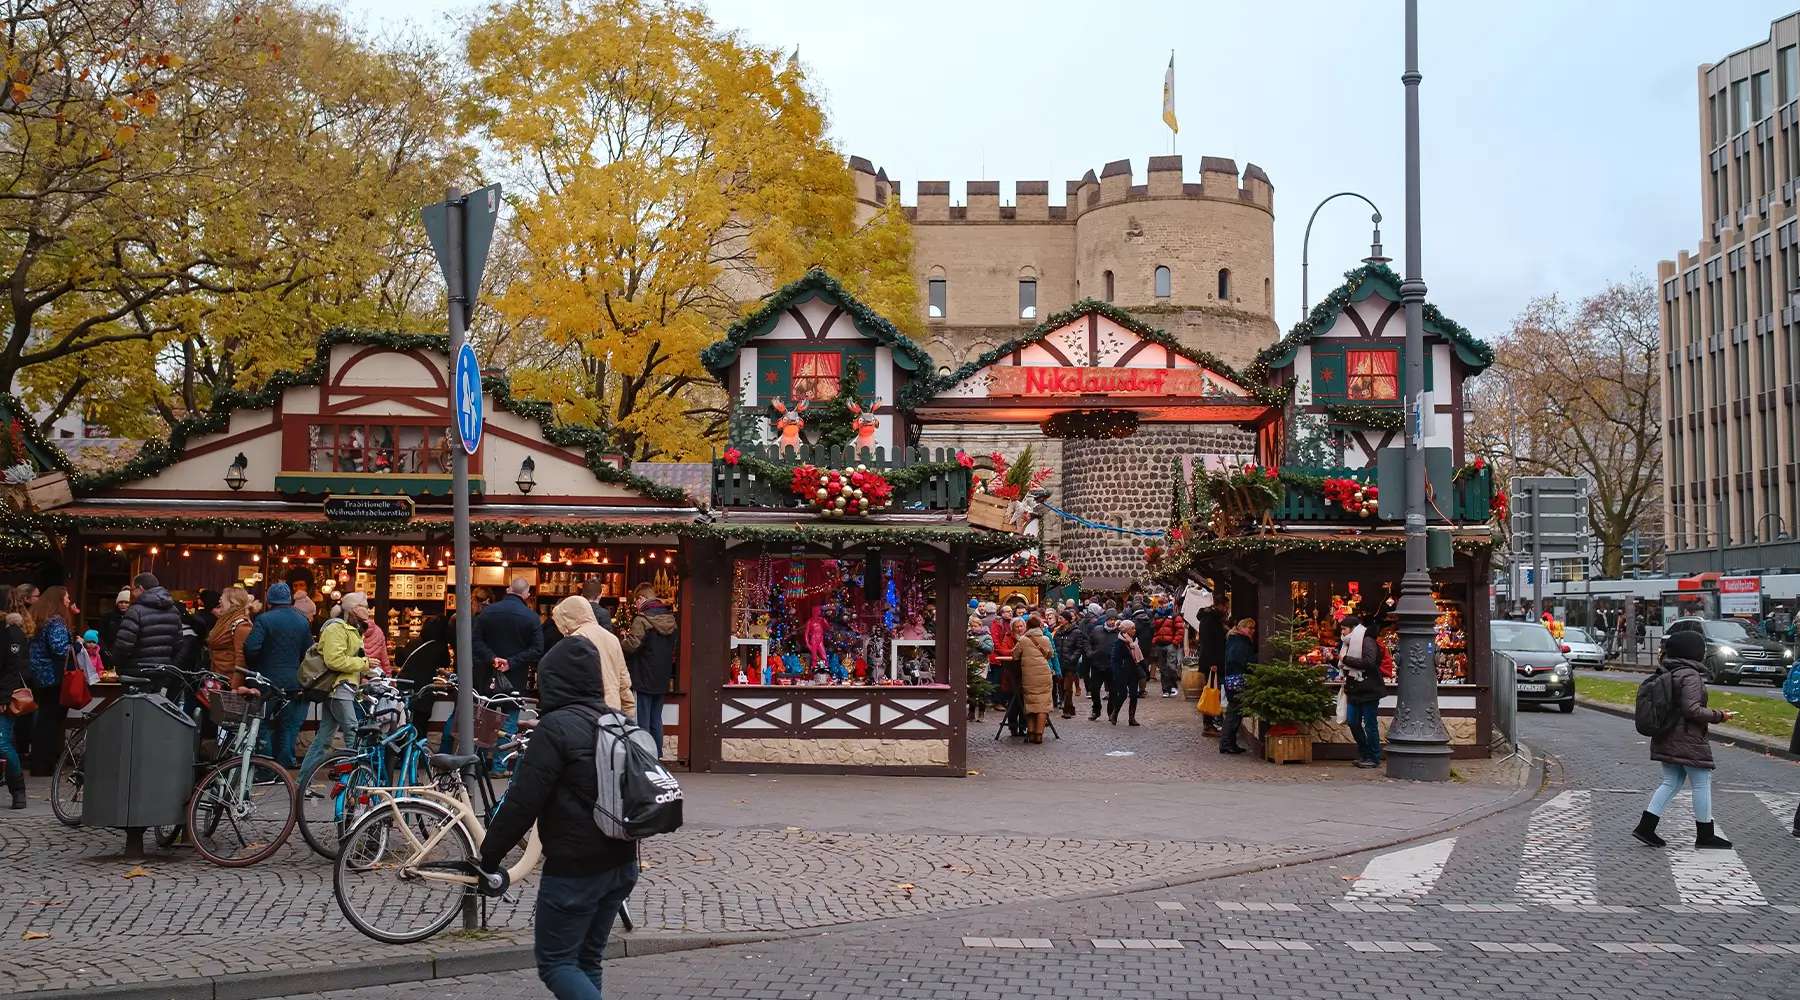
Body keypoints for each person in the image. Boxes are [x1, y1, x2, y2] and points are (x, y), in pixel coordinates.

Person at [477, 629, 637, 1000]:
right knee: (587, 959)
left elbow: (522, 803)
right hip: (622, 862)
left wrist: (489, 856)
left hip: (575, 868)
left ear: (552, 681)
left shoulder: (555, 729)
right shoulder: (619, 722)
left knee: (557, 963)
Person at [1633, 629, 1736, 850]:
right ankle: (1705, 835)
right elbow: (1692, 710)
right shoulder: (1690, 675)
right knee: (1701, 782)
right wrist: (1719, 715)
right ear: (1694, 652)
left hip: (1666, 735)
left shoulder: (1668, 671)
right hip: (1687, 738)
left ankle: (1646, 827)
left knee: (1671, 782)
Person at [297, 592, 378, 786]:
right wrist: (364, 664)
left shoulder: (353, 629)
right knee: (353, 734)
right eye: (364, 606)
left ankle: (302, 783)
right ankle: (359, 783)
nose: (367, 610)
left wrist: (369, 669)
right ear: (353, 609)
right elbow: (334, 660)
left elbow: (350, 659)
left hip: (344, 688)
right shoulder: (336, 628)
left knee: (323, 739)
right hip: (338, 689)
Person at [245, 582, 314, 769]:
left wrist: (256, 666)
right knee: (288, 726)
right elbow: (309, 652)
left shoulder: (264, 620)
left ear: (269, 601)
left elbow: (251, 648)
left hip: (267, 681)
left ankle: (265, 766)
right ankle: (284, 767)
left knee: (263, 723)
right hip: (293, 681)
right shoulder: (302, 621)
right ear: (289, 600)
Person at [550, 595, 635, 715]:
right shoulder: (612, 639)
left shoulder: (573, 642)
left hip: (584, 712)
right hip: (611, 710)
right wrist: (628, 711)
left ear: (567, 619)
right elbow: (623, 681)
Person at [619, 585, 677, 754]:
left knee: (643, 720)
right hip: (662, 677)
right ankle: (657, 755)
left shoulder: (641, 620)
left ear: (642, 599)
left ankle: (645, 755)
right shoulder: (671, 619)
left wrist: (622, 641)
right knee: (656, 719)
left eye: (636, 602)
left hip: (643, 676)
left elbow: (632, 646)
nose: (636, 606)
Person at [25, 586, 75, 775]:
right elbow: (60, 648)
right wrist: (77, 645)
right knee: (50, 720)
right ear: (59, 600)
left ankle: (40, 762)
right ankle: (44, 764)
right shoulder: (56, 621)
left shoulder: (40, 618)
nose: (69, 601)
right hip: (52, 676)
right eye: (67, 598)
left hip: (39, 675)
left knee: (43, 719)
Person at [1338, 614, 1386, 768]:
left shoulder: (1367, 641)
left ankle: (1373, 757)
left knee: (1370, 724)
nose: (1342, 632)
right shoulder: (1347, 644)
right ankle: (1364, 753)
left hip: (1369, 688)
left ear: (1353, 629)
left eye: (1344, 629)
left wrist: (1345, 659)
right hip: (1354, 689)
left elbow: (1369, 662)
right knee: (1353, 722)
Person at [0, 583, 28, 808]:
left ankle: (18, 789)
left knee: (2, 743)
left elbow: (13, 668)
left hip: (4, 694)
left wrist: (3, 697)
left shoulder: (12, 632)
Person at [1007, 614, 1054, 743]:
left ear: (1027, 626)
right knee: (1043, 706)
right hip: (1044, 675)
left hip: (1029, 676)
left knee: (1031, 704)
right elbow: (1050, 654)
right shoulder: (1045, 639)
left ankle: (1031, 732)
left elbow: (1015, 655)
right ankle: (1039, 735)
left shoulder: (1023, 640)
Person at [206, 587, 255, 690]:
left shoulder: (241, 625)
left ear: (232, 602)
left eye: (222, 599)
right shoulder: (225, 620)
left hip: (228, 683)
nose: (219, 601)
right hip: (219, 679)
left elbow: (241, 660)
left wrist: (235, 687)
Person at [1219, 618, 1256, 754]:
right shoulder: (1239, 641)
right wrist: (1253, 661)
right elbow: (1239, 660)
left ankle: (1229, 742)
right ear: (1241, 628)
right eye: (1249, 628)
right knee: (1234, 712)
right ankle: (1226, 743)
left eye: (1253, 628)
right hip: (1237, 679)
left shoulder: (1235, 639)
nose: (1252, 631)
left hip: (1233, 679)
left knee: (1234, 712)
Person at [1108, 618, 1144, 726]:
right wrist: (1117, 672)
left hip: (1133, 672)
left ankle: (1131, 718)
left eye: (1134, 628)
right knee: (1122, 694)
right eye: (1132, 628)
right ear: (1126, 630)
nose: (1134, 630)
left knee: (1134, 695)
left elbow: (1139, 658)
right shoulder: (1119, 642)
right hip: (1122, 672)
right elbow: (1114, 660)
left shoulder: (1135, 641)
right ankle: (1114, 714)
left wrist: (1144, 669)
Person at [1053, 610, 1088, 721]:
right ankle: (1070, 707)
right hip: (1060, 663)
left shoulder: (1076, 632)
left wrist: (1072, 658)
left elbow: (1079, 647)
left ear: (1067, 620)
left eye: (1061, 618)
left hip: (1070, 664)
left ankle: (1067, 710)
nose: (1059, 620)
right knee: (1061, 686)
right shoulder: (1058, 632)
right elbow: (1055, 646)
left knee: (1067, 687)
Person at [1084, 605, 1113, 721]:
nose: (1112, 622)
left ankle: (1111, 712)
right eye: (1110, 619)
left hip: (1111, 666)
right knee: (1094, 689)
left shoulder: (1119, 632)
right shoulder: (1097, 630)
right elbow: (1087, 642)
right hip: (1097, 664)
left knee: (1113, 691)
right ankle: (1096, 709)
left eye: (1114, 619)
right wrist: (1089, 653)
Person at [1153, 606, 1183, 698]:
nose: (1163, 605)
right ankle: (1166, 689)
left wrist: (1175, 642)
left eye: (1165, 602)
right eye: (1161, 603)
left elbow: (1180, 630)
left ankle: (1173, 686)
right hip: (1159, 644)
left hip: (1170, 644)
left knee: (1171, 666)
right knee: (1162, 668)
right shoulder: (1157, 615)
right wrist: (1155, 640)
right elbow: (1153, 628)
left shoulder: (1174, 616)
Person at [99, 589, 131, 655]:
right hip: (110, 652)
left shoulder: (133, 617)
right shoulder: (108, 617)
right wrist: (104, 650)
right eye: (121, 602)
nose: (123, 604)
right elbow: (101, 635)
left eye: (126, 602)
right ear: (117, 603)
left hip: (128, 653)